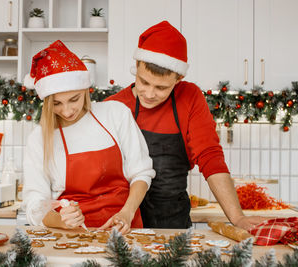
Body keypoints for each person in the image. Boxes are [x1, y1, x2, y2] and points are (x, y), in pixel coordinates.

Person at [106, 21, 267, 230]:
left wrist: (237, 218)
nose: (150, 94)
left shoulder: (189, 97)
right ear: (136, 66)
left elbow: (210, 157)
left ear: (179, 78)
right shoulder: (113, 107)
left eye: (161, 87)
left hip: (173, 224)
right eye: (143, 82)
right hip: (123, 224)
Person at [22, 40, 155, 234]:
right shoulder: (40, 138)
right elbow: (35, 203)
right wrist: (61, 221)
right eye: (57, 103)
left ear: (85, 90)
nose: (66, 111)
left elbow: (142, 172)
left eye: (74, 99)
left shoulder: (115, 114)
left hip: (125, 228)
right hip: (73, 235)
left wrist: (127, 213)